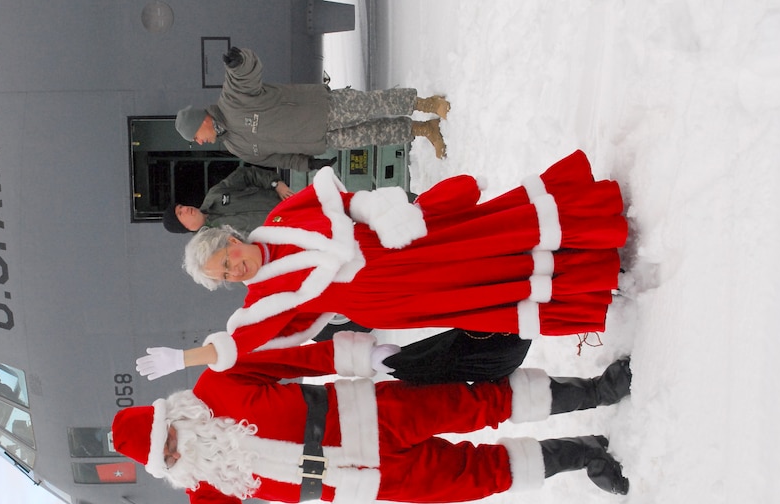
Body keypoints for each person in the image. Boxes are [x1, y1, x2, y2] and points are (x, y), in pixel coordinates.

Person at [113, 332, 633, 504]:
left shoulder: (218, 387)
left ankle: (596, 391)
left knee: (484, 402)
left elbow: (296, 360)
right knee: (479, 477)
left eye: (172, 440)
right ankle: (583, 454)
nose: (182, 453)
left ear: (175, 416)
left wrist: (366, 357)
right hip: (369, 478)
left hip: (374, 412)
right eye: (171, 458)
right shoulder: (207, 482)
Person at [136, 150, 628, 379]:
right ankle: (594, 279)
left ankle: (592, 231)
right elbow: (235, 343)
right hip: (406, 299)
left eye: (227, 260)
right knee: (492, 290)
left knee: (492, 241)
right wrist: (185, 359)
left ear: (231, 239)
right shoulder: (264, 300)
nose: (234, 271)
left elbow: (350, 202)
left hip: (407, 248)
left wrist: (384, 213)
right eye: (224, 276)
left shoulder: (284, 216)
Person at [174, 46, 449, 168]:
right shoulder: (236, 147)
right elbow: (276, 159)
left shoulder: (233, 101)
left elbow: (247, 72)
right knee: (375, 134)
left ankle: (428, 103)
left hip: (321, 108)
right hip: (321, 139)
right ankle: (426, 129)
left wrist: (238, 61)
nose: (199, 142)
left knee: (373, 105)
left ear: (202, 121)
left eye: (195, 136)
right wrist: (308, 163)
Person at [162, 164, 293, 236]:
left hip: (292, 202)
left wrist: (275, 183)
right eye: (180, 214)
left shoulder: (215, 195)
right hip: (292, 233)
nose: (185, 208)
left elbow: (246, 175)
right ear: (184, 227)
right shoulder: (213, 242)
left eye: (181, 206)